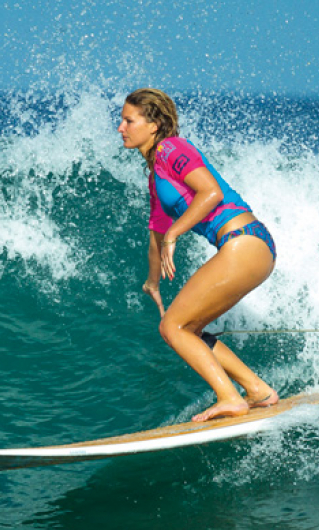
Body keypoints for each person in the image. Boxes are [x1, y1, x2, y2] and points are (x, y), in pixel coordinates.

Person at [119, 88, 279, 422]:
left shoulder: (171, 148)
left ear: (153, 124)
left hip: (243, 240)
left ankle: (229, 398)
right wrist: (152, 283)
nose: (121, 128)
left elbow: (211, 191)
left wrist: (176, 233)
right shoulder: (156, 176)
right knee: (186, 329)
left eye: (128, 120)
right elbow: (157, 235)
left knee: (173, 328)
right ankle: (257, 390)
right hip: (245, 246)